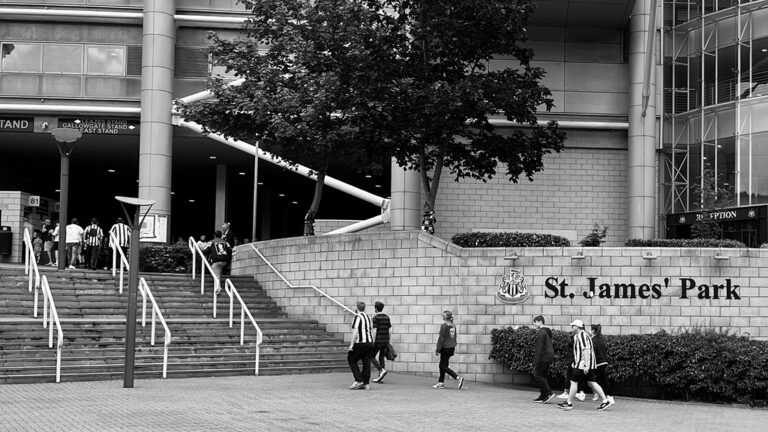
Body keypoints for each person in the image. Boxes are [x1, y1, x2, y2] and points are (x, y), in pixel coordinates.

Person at [557, 320, 611, 411]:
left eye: (573, 326)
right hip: (586, 364)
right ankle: (605, 400)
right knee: (591, 382)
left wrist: (586, 365)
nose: (572, 327)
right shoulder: (582, 335)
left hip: (582, 365)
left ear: (577, 327)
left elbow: (586, 350)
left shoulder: (581, 336)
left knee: (574, 382)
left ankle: (569, 403)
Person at [433, 310, 464, 390]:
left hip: (445, 348)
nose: (442, 316)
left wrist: (437, 349)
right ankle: (441, 382)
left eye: (443, 315)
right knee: (443, 365)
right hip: (451, 348)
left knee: (442, 366)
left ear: (445, 317)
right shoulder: (453, 325)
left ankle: (457, 378)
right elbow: (454, 337)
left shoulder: (444, 326)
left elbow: (441, 339)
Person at [348, 301, 373, 390]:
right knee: (366, 361)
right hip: (369, 342)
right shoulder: (368, 317)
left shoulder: (357, 317)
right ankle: (366, 383)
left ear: (356, 308)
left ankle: (359, 380)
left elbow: (355, 332)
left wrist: (351, 345)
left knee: (351, 359)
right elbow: (370, 330)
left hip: (360, 342)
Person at [590, 324, 615, 407]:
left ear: (593, 330)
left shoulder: (593, 340)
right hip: (603, 361)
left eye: (591, 329)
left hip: (597, 362)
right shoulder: (601, 339)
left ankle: (608, 397)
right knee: (602, 379)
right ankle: (607, 396)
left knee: (595, 380)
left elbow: (593, 352)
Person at [532, 315, 556, 403]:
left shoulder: (541, 333)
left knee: (537, 374)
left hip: (544, 356)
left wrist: (536, 361)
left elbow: (539, 348)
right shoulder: (547, 331)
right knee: (543, 375)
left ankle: (548, 393)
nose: (534, 324)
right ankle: (543, 395)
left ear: (540, 321)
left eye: (535, 322)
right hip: (549, 355)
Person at [370, 301, 392, 383]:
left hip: (378, 340)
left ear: (375, 308)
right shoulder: (387, 317)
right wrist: (388, 340)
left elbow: (374, 330)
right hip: (385, 340)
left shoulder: (375, 318)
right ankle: (380, 377)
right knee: (381, 357)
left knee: (371, 356)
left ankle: (381, 370)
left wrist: (373, 341)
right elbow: (390, 331)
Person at [208, 230, 231, 295]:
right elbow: (230, 250)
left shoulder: (211, 242)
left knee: (216, 275)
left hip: (216, 260)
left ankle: (218, 289)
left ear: (214, 235)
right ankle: (218, 287)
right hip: (225, 261)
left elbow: (205, 249)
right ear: (221, 236)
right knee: (219, 272)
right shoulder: (225, 242)